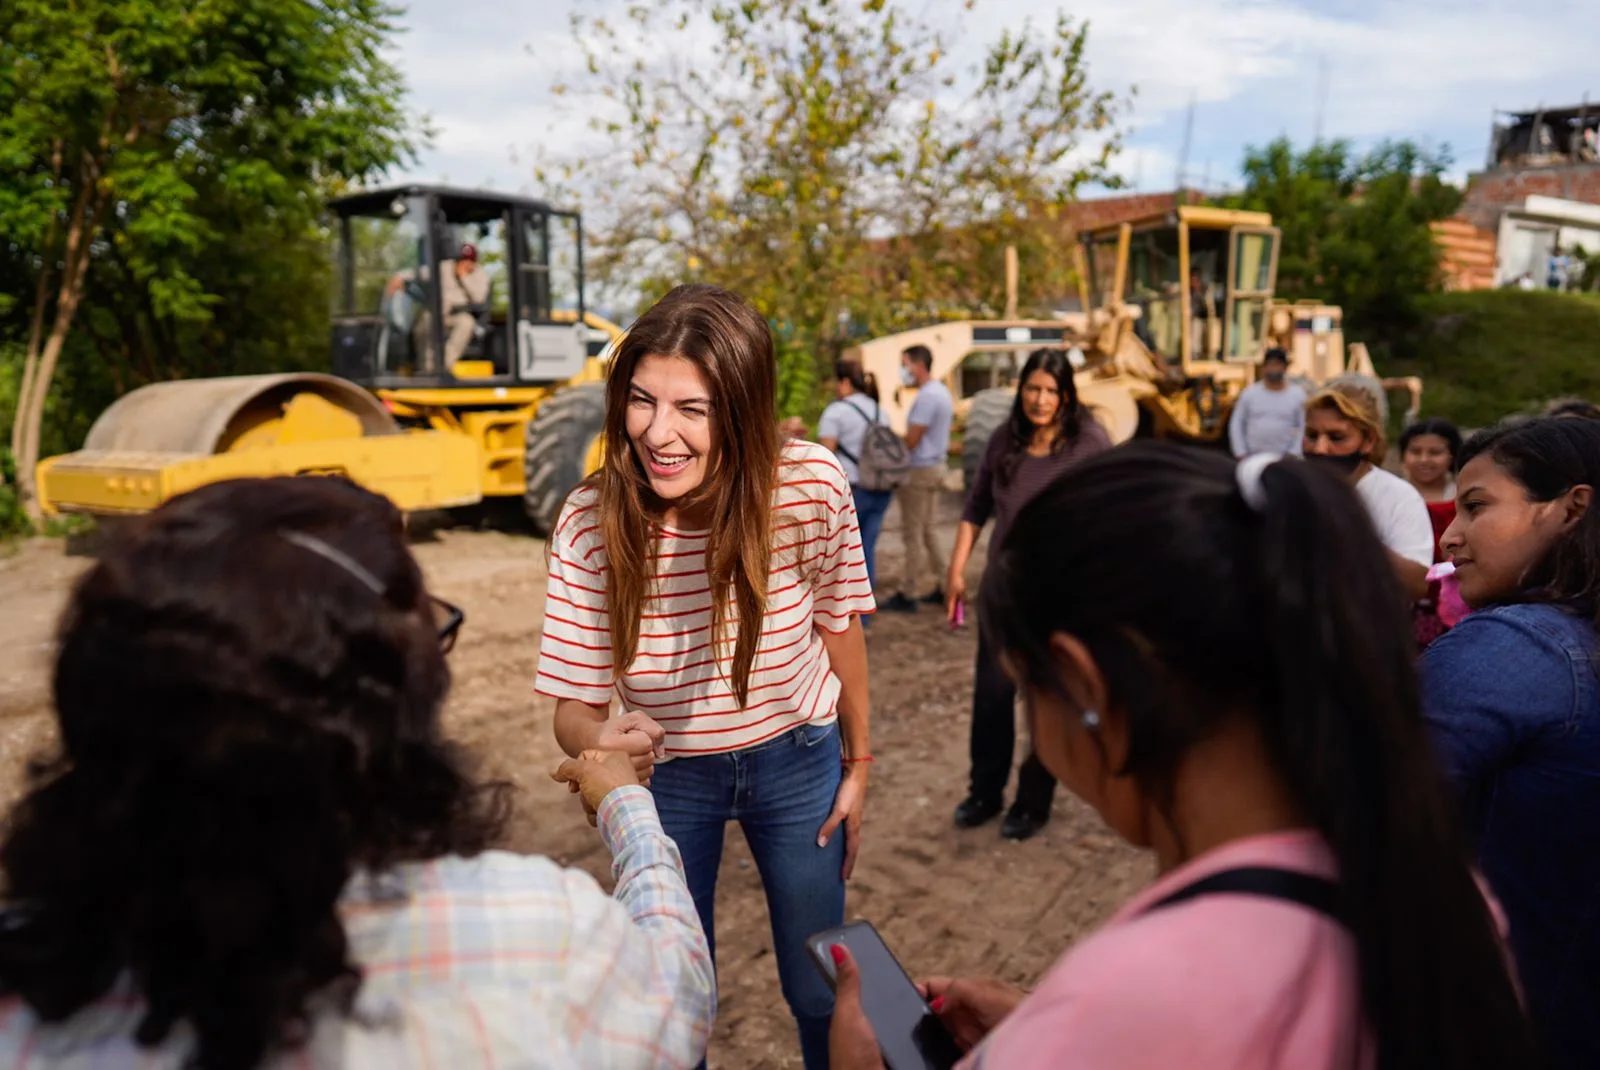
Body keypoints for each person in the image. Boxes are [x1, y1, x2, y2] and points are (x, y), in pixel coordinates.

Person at [828, 444, 1538, 1070]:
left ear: (1083, 686)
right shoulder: (1437, 889)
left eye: (1027, 693)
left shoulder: (1140, 996)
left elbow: (1168, 1018)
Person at [0, 476, 715, 1069]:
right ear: (391, 710)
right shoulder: (533, 933)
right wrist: (629, 808)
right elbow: (677, 994)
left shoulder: (30, 991)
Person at [535, 283, 876, 1070]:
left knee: (823, 984)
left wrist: (860, 764)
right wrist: (600, 739)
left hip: (800, 762)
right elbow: (576, 708)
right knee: (669, 1002)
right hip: (669, 783)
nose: (659, 433)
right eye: (642, 401)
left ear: (745, 409)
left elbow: (841, 630)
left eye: (694, 408)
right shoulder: (589, 520)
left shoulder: (812, 485)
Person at [1420, 416, 1600, 1069]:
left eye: (1477, 507)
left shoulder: (1519, 644)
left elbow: (1359, 803)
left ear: (1570, 508)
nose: (1451, 535)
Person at [944, 348, 1111, 840]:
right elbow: (976, 506)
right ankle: (984, 792)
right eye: (1032, 389)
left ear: (1066, 395)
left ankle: (1033, 802)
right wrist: (956, 570)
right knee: (992, 699)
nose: (1040, 400)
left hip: (1058, 603)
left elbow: (1109, 519)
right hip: (1003, 595)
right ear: (1020, 391)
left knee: (1045, 704)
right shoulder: (1004, 439)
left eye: (1051, 391)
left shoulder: (1089, 444)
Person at [1303, 383, 1433, 599]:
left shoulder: (1398, 496)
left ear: (1368, 441)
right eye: (1312, 435)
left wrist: (1352, 531)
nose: (1320, 448)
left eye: (1336, 437)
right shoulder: (1291, 487)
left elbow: (1417, 584)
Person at [881, 344, 952, 613]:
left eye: (905, 364)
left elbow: (912, 440)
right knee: (928, 530)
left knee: (912, 535)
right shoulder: (940, 392)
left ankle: (908, 591)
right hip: (934, 467)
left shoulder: (927, 397)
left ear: (918, 365)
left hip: (919, 472)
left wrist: (887, 439)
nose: (903, 370)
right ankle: (945, 585)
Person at [818, 360, 891, 597]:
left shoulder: (836, 411)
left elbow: (825, 456)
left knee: (844, 554)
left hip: (852, 490)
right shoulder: (881, 410)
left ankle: (850, 611)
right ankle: (866, 611)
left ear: (845, 383)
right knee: (867, 548)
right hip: (881, 487)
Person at [1400, 417, 1465, 647]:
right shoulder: (1393, 499)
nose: (1424, 460)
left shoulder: (1463, 500)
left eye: (1435, 452)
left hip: (1456, 604)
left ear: (1452, 456)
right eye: (1415, 451)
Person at [387, 242, 491, 371]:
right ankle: (426, 367)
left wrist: (464, 278)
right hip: (436, 312)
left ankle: (444, 364)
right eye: (462, 260)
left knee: (466, 323)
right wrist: (399, 277)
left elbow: (479, 298)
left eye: (469, 261)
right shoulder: (445, 267)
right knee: (424, 320)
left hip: (457, 314)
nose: (465, 264)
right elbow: (419, 272)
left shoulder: (480, 275)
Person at [1228, 348, 1306, 457]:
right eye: (1270, 364)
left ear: (1285, 367)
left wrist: (1294, 452)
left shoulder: (1297, 395)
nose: (1273, 368)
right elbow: (1237, 423)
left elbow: (1303, 426)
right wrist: (1241, 452)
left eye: (1277, 364)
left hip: (1286, 459)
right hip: (1253, 457)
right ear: (1264, 367)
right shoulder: (1250, 394)